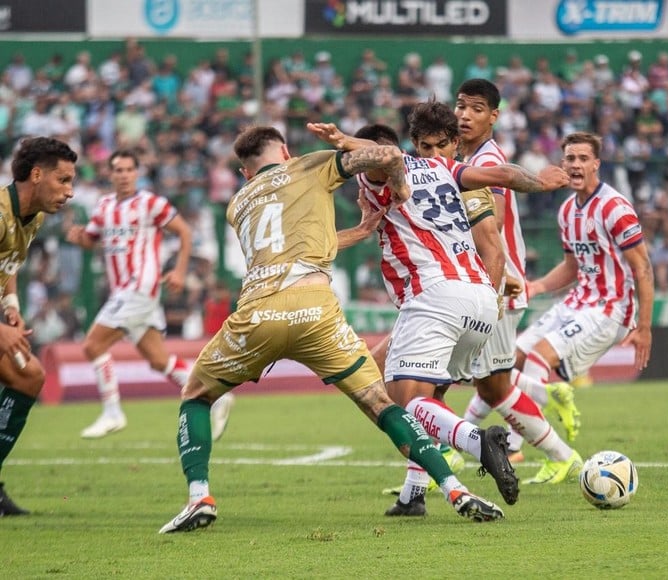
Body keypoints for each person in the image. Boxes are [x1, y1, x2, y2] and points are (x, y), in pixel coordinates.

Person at [159, 126, 509, 533]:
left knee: (196, 395)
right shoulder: (310, 165)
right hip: (316, 310)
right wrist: (399, 187)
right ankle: (455, 489)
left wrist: (359, 232)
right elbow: (389, 156)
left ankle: (199, 497)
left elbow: (292, 243)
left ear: (244, 172)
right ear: (286, 150)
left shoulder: (237, 203)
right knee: (382, 404)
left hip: (259, 313)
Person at [316, 113, 579, 510]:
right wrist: (540, 183)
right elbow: (505, 175)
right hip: (478, 298)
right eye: (426, 145)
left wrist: (343, 140)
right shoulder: (448, 169)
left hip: (434, 296)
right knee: (429, 395)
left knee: (401, 402)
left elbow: (384, 157)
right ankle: (414, 494)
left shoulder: (382, 173)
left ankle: (479, 441)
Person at [455, 79, 583, 482]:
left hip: (498, 284)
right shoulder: (466, 159)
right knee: (479, 380)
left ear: (494, 116)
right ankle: (547, 394)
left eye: (476, 109)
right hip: (477, 283)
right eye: (461, 106)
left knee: (489, 387)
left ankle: (562, 455)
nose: (465, 115)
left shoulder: (489, 159)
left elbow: (490, 221)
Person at [64, 149, 235, 440]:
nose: (124, 175)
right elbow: (90, 239)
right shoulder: (104, 206)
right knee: (159, 360)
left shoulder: (150, 203)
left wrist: (179, 271)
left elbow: (184, 232)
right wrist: (77, 236)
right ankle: (218, 396)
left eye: (129, 170)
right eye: (118, 170)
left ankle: (112, 412)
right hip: (123, 291)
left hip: (140, 288)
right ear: (110, 174)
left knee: (93, 345)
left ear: (137, 173)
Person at [512, 133, 654, 470]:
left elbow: (643, 267)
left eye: (582, 158)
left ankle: (514, 446)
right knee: (510, 358)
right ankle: (491, 437)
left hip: (610, 307)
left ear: (596, 164)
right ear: (562, 164)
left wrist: (645, 326)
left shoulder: (614, 207)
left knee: (538, 356)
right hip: (578, 301)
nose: (575, 164)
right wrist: (536, 286)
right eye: (570, 158)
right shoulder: (566, 210)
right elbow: (571, 267)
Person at [0, 136, 78, 515]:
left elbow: (8, 263)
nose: (70, 191)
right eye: (63, 180)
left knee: (28, 376)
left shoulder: (33, 217)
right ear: (35, 175)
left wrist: (11, 306)